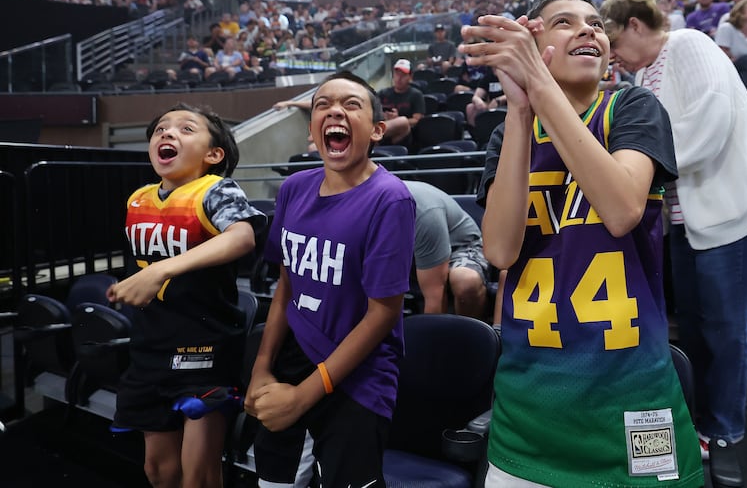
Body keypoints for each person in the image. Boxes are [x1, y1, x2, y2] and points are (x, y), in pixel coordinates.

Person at [460, 0, 704, 488]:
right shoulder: (510, 135)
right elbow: (500, 251)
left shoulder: (631, 107)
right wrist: (520, 110)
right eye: (565, 22)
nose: (589, 29)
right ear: (535, 43)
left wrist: (539, 86)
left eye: (594, 23)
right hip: (526, 415)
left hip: (632, 403)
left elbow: (620, 210)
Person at [602, 0, 747, 488]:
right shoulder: (642, 76)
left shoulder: (690, 44)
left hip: (727, 213)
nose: (614, 57)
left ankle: (726, 429)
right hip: (687, 220)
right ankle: (701, 418)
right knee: (698, 326)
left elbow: (710, 127)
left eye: (615, 44)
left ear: (634, 25)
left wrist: (638, 166)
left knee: (726, 329)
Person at [244, 71, 416, 488]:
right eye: (323, 104)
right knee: (274, 481)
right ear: (312, 128)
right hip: (292, 356)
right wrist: (262, 369)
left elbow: (383, 314)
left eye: (351, 104)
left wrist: (304, 396)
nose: (335, 110)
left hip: (357, 374)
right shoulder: (293, 188)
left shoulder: (391, 199)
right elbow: (285, 284)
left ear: (377, 130)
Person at [106, 103, 267, 488]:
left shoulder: (216, 190)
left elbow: (243, 236)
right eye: (161, 128)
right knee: (159, 471)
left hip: (203, 349)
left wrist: (164, 269)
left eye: (185, 128)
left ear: (213, 155)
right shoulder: (138, 199)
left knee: (199, 476)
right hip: (150, 346)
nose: (167, 133)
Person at [403, 180, 489, 318]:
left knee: (465, 281)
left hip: (460, 246)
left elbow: (434, 296)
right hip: (410, 254)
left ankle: (467, 335)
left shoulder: (424, 212)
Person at [377, 59, 425, 146]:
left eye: (403, 75)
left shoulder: (416, 95)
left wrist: (396, 119)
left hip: (403, 135)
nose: (399, 78)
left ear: (410, 77)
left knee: (403, 122)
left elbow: (417, 120)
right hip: (382, 133)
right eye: (397, 74)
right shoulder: (382, 93)